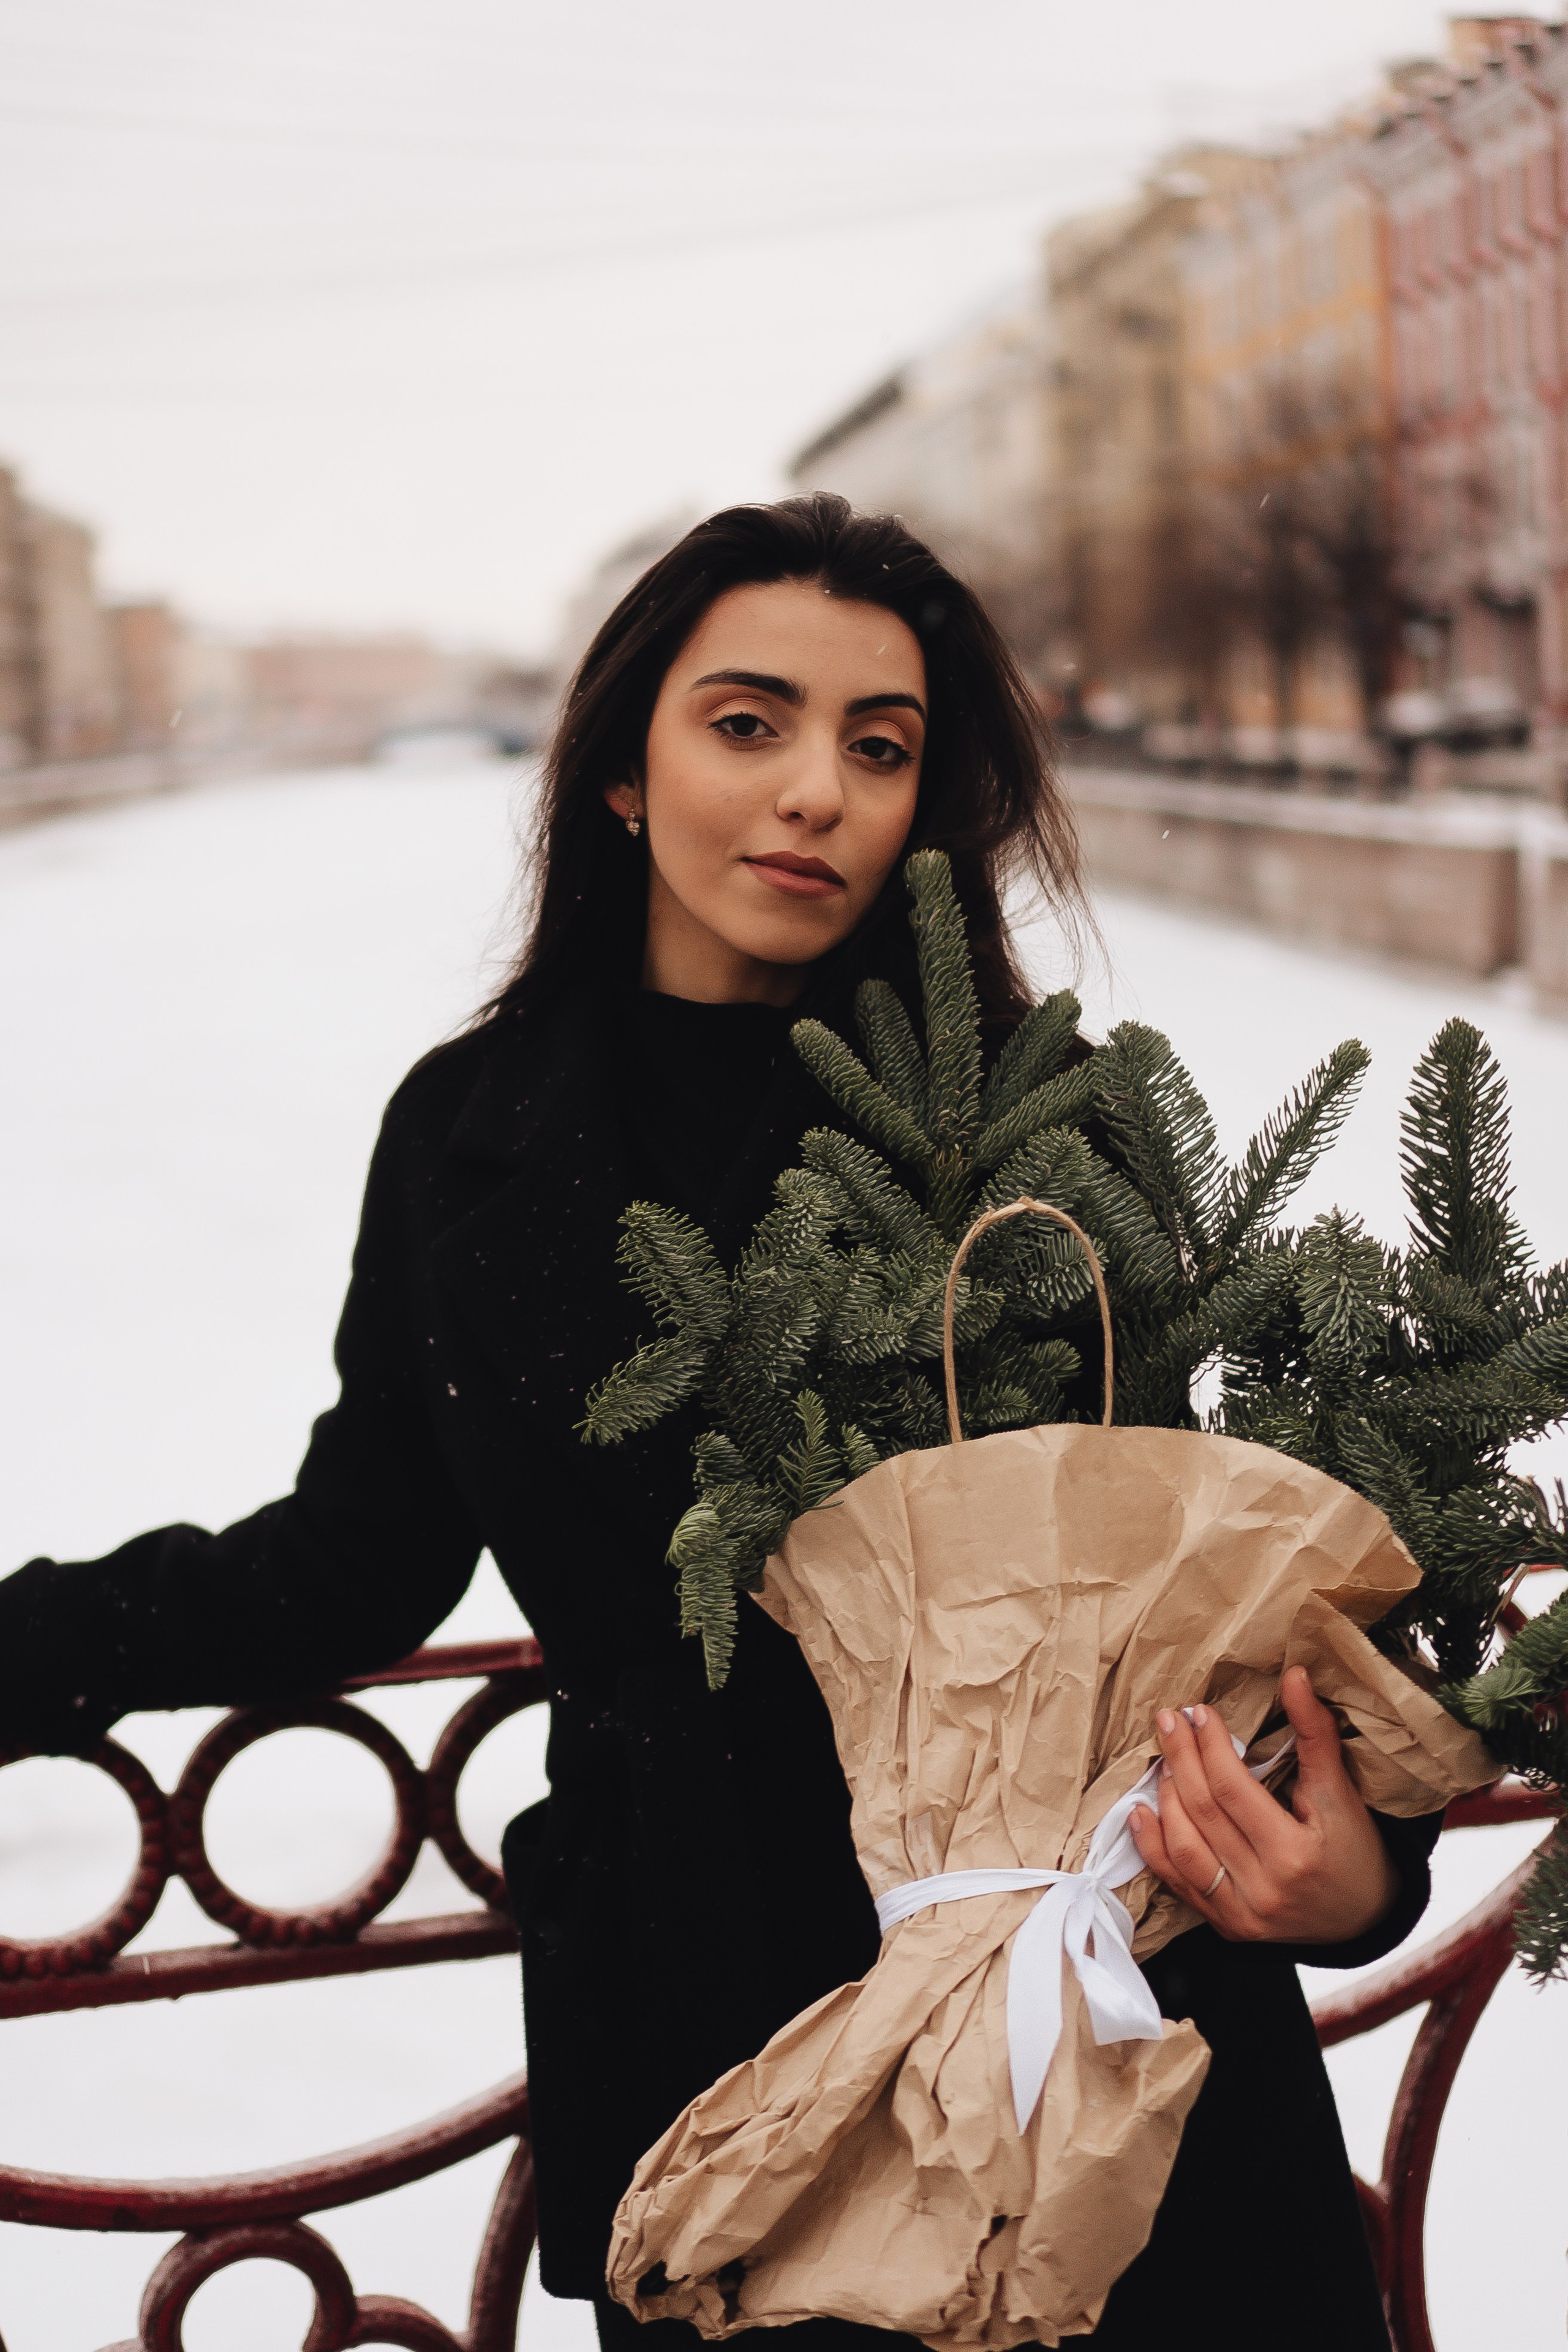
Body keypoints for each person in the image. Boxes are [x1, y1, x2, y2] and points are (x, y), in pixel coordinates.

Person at [0, 494, 1436, 2351]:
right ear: (621, 769)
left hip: (1108, 2045)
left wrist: (1350, 1885)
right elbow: (357, 1558)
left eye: (881, 744)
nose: (816, 790)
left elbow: (1230, 1605)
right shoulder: (469, 1133)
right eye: (746, 723)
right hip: (712, 2049)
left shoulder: (1044, 1130)